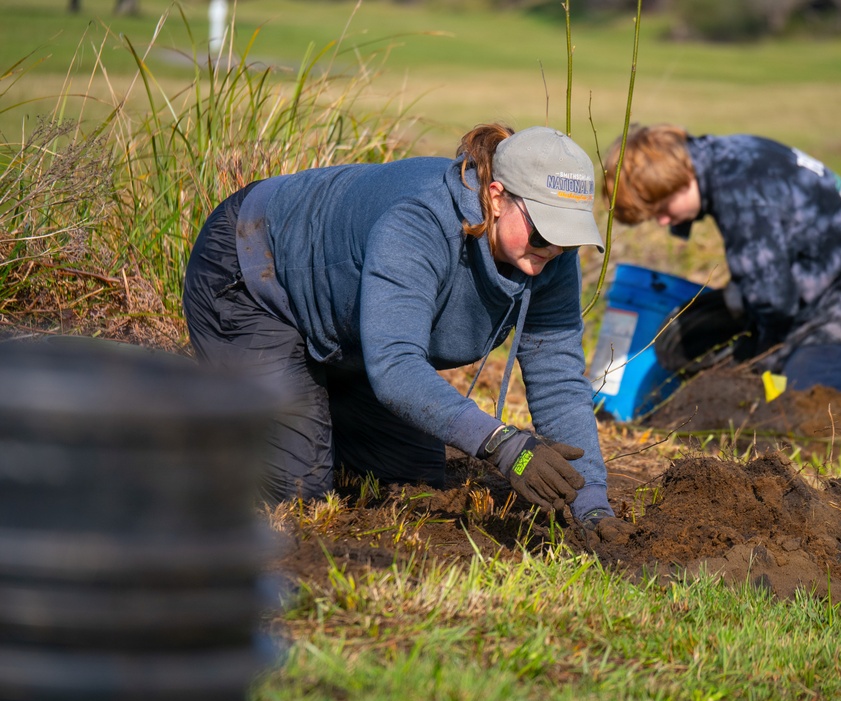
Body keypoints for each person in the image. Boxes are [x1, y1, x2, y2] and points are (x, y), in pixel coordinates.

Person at [183, 123, 633, 537]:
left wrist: (591, 504)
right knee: (298, 497)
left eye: (567, 237)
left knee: (414, 485)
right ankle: (202, 429)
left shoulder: (548, 258)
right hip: (257, 276)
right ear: (496, 197)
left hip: (351, 327)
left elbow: (558, 379)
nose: (553, 249)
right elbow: (396, 367)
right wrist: (503, 445)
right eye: (542, 234)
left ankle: (305, 403)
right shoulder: (420, 221)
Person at [602, 123, 841, 432]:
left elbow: (772, 298)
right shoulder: (728, 155)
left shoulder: (739, 189)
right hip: (837, 296)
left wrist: (759, 362)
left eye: (663, 209)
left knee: (797, 414)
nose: (665, 221)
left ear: (680, 175)